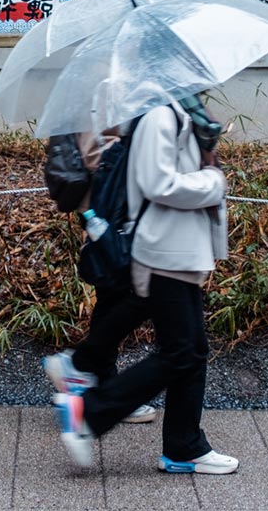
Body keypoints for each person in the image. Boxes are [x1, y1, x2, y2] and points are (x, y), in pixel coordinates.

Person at [52, 96, 237, 476]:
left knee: (191, 351)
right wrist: (212, 182)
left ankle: (184, 447)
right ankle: (88, 414)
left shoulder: (179, 113)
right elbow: (158, 183)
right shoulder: (159, 115)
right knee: (180, 353)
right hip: (164, 251)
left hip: (179, 249)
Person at [42, 123, 159, 426]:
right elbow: (95, 151)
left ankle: (99, 381)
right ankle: (84, 369)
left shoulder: (104, 84)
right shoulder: (103, 86)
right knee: (130, 292)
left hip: (111, 205)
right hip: (107, 207)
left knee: (115, 294)